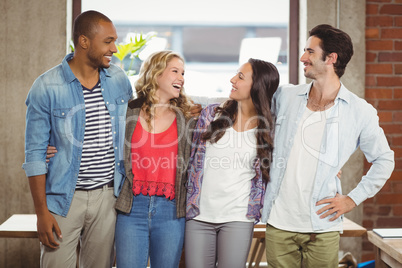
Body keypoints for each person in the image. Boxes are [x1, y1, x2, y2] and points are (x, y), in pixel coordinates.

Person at [261, 24, 395, 267]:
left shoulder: (359, 111)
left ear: (331, 58)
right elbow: (249, 119)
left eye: (310, 52)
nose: (303, 58)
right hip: (279, 222)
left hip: (322, 227)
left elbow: (384, 160)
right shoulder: (285, 97)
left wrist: (352, 199)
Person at [22, 10, 133, 267]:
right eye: (108, 41)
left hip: (108, 197)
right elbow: (34, 156)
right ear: (84, 42)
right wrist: (41, 213)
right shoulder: (46, 87)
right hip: (63, 200)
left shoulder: (118, 80)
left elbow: (139, 124)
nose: (115, 49)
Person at [185, 58, 280, 268]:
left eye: (240, 77)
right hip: (199, 214)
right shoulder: (211, 114)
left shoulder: (270, 128)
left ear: (257, 86)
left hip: (238, 217)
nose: (232, 80)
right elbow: (188, 155)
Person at [114, 50, 197, 268]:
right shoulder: (129, 111)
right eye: (175, 71)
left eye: (183, 73)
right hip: (132, 208)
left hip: (171, 211)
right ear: (157, 73)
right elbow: (102, 137)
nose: (181, 77)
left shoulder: (186, 118)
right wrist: (55, 145)